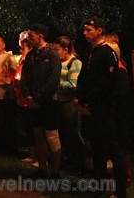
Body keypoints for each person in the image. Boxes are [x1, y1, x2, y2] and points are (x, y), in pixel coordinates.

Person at [75, 17, 127, 198]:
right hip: (91, 107)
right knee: (97, 149)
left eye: (89, 29)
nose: (85, 33)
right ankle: (99, 185)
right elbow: (84, 78)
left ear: (99, 30)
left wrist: (85, 100)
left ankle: (120, 192)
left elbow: (104, 84)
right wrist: (80, 98)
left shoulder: (106, 52)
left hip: (103, 108)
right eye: (85, 30)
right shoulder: (92, 52)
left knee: (112, 149)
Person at [20, 24, 61, 178]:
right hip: (33, 103)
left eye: (31, 36)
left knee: (52, 138)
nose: (28, 38)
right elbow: (24, 78)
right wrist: (27, 96)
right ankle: (42, 169)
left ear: (41, 36)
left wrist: (38, 98)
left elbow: (52, 81)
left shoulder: (52, 55)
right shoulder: (31, 56)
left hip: (49, 103)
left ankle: (56, 172)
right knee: (38, 136)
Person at [52, 36, 85, 172]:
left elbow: (73, 84)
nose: (55, 53)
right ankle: (68, 159)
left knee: (73, 133)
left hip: (69, 104)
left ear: (66, 50)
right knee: (63, 133)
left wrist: (54, 84)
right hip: (58, 101)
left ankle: (79, 161)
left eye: (57, 50)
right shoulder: (59, 62)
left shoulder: (75, 63)